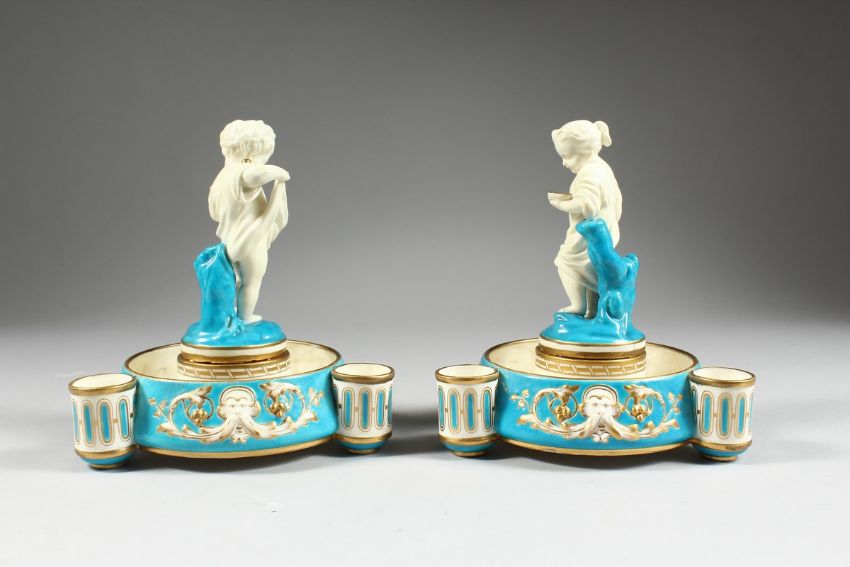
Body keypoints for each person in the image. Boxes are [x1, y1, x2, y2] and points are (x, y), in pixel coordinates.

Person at [208, 120, 290, 323]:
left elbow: (215, 213)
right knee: (252, 280)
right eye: (265, 155)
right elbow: (252, 176)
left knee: (237, 279)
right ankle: (245, 317)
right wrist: (278, 172)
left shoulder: (222, 178)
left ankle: (229, 310)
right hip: (249, 238)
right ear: (251, 154)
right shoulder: (242, 172)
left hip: (230, 237)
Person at [547, 120, 622, 317]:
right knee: (592, 268)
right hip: (605, 230)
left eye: (567, 156)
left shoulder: (589, 174)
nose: (564, 163)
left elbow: (587, 207)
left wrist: (560, 204)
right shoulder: (602, 167)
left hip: (588, 232)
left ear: (585, 151)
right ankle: (593, 311)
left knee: (567, 263)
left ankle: (578, 306)